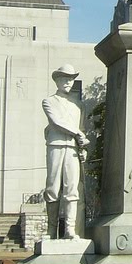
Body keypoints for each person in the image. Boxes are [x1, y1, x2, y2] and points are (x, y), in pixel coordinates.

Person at [42, 64, 89, 240]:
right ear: (57, 80)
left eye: (71, 78)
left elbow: (82, 128)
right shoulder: (49, 101)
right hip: (55, 145)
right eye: (64, 78)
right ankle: (51, 230)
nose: (68, 82)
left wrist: (83, 147)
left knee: (72, 189)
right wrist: (78, 133)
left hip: (73, 150)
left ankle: (70, 230)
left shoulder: (79, 105)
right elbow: (56, 122)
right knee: (53, 188)